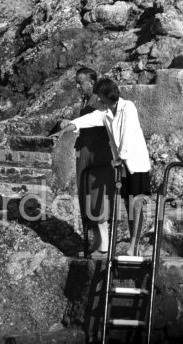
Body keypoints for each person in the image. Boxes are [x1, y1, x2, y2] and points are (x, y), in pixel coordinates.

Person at [51, 78, 151, 257]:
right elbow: (85, 120)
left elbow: (127, 134)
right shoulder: (105, 113)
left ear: (106, 95)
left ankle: (134, 245)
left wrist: (120, 158)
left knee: (135, 205)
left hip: (136, 163)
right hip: (123, 166)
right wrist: (65, 129)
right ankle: (132, 245)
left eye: (99, 96)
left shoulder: (128, 107)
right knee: (128, 205)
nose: (96, 100)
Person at [60, 68, 114, 258]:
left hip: (96, 154)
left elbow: (95, 121)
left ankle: (104, 244)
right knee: (87, 196)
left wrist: (73, 122)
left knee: (96, 195)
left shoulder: (98, 100)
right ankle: (98, 241)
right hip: (86, 152)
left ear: (91, 82)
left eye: (81, 82)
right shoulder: (86, 100)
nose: (78, 86)